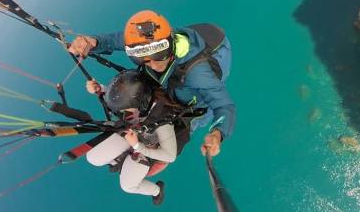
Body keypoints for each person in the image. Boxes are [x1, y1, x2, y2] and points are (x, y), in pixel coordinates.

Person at [69, 10, 235, 156]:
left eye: (159, 55)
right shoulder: (147, 44)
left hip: (195, 87)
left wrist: (218, 133)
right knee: (151, 80)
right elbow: (117, 40)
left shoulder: (198, 74)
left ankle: (189, 125)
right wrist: (93, 42)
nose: (154, 65)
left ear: (169, 44)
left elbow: (224, 106)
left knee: (188, 106)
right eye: (144, 59)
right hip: (185, 60)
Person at [86, 70, 182, 205]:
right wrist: (101, 89)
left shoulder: (162, 119)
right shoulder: (135, 98)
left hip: (147, 150)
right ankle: (117, 160)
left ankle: (156, 190)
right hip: (130, 136)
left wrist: (138, 146)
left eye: (127, 110)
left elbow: (170, 156)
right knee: (93, 158)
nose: (123, 112)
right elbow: (124, 96)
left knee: (127, 186)